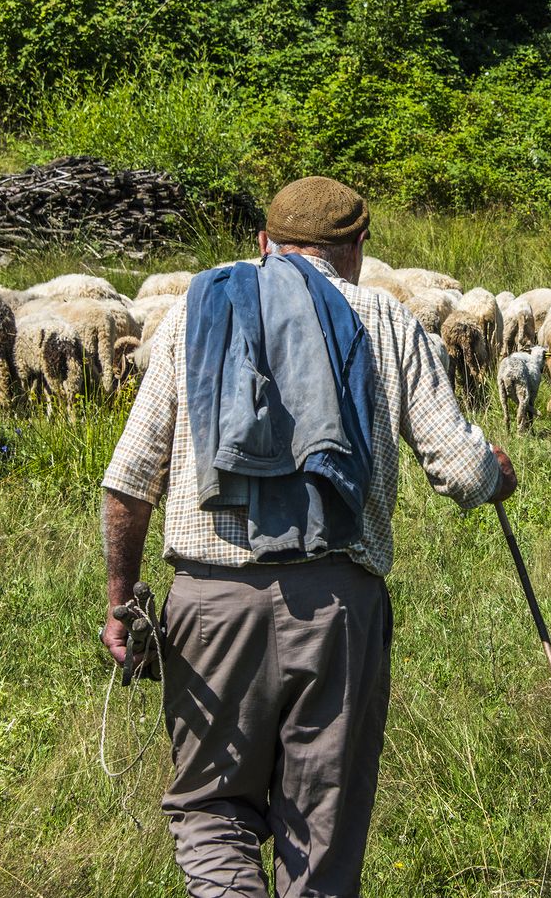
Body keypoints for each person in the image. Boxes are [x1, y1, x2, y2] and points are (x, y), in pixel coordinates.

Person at [100, 175, 517, 897]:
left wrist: (120, 599)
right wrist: (498, 475)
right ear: (356, 247)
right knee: (319, 830)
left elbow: (130, 480)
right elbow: (461, 469)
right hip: (337, 611)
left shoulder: (197, 309)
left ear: (264, 243)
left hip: (211, 604)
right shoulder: (386, 321)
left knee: (210, 807)